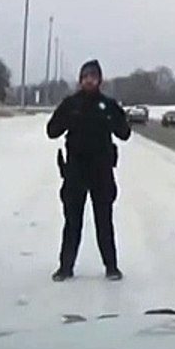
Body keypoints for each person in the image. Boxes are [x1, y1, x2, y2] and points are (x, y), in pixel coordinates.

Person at [46, 59, 131, 281]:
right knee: (72, 221)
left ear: (99, 80)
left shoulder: (108, 105)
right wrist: (64, 120)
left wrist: (115, 119)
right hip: (75, 170)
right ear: (80, 79)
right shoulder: (71, 104)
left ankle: (111, 267)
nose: (89, 80)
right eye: (85, 77)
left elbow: (124, 133)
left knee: (104, 220)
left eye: (93, 76)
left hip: (101, 170)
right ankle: (65, 267)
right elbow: (52, 131)